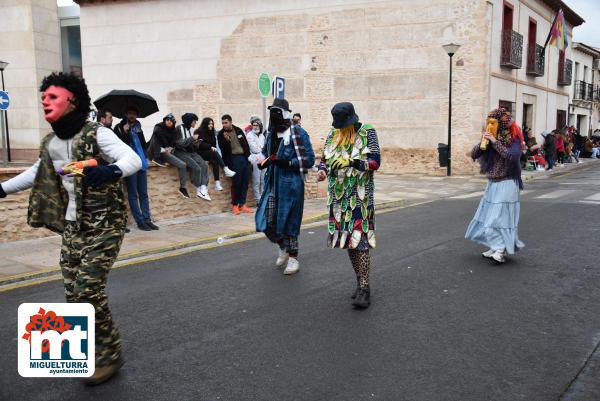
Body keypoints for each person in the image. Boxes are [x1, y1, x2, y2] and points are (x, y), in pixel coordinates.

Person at [0, 72, 142, 384]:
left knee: (87, 291)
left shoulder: (96, 134)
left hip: (105, 224)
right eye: (44, 98)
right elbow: (38, 172)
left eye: (53, 97)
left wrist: (109, 171)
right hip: (73, 226)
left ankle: (110, 355)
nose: (45, 101)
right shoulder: (51, 143)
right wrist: (3, 189)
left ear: (73, 101)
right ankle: (94, 352)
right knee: (72, 294)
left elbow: (132, 159)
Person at [317, 102, 380, 308]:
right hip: (338, 198)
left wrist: (352, 162)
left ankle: (365, 289)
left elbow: (375, 162)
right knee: (348, 242)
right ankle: (360, 282)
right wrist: (322, 171)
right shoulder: (332, 135)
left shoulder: (367, 132)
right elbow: (324, 159)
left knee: (360, 241)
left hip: (360, 198)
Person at [256, 98, 315, 275]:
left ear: (285, 114)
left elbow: (309, 159)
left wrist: (288, 162)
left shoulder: (298, 133)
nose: (274, 115)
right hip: (272, 183)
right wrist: (263, 162)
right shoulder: (270, 133)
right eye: (272, 111)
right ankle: (282, 246)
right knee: (266, 219)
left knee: (290, 222)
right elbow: (266, 154)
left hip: (291, 185)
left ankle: (293, 258)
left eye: (277, 112)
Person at [466, 108, 525, 264]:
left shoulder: (514, 138)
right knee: (487, 217)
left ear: (501, 123)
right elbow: (473, 154)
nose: (490, 124)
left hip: (508, 181)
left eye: (493, 122)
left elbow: (511, 156)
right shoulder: (491, 136)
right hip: (493, 182)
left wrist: (494, 141)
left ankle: (501, 249)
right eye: (488, 122)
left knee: (499, 218)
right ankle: (495, 246)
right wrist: (483, 143)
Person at [115, 106, 159, 231]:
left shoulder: (138, 127)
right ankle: (140, 221)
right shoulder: (119, 127)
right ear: (125, 114)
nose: (132, 116)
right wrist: (125, 132)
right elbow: (119, 146)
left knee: (144, 194)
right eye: (129, 113)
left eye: (134, 113)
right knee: (133, 194)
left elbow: (143, 144)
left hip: (141, 163)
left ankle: (147, 219)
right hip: (129, 163)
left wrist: (146, 157)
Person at [150, 113, 193, 198]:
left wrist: (170, 147)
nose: (169, 122)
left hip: (167, 152)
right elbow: (159, 134)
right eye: (167, 120)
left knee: (184, 163)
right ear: (164, 121)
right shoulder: (158, 127)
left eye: (171, 121)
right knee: (182, 164)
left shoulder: (173, 131)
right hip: (158, 152)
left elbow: (174, 142)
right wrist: (167, 146)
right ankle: (156, 158)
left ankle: (184, 187)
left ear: (173, 122)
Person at [218, 114, 252, 214]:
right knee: (236, 182)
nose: (224, 125)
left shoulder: (238, 130)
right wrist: (226, 141)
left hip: (243, 158)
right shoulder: (221, 134)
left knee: (245, 182)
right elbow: (222, 148)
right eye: (223, 123)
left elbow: (245, 143)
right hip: (233, 159)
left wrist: (248, 156)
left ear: (231, 122)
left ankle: (242, 204)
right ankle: (235, 205)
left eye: (226, 122)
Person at [174, 113, 211, 201]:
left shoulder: (190, 130)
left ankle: (203, 188)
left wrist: (196, 142)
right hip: (180, 152)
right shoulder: (179, 128)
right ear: (189, 121)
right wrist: (192, 138)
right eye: (194, 121)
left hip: (190, 151)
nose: (195, 123)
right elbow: (179, 144)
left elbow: (191, 144)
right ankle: (198, 189)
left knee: (204, 165)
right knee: (197, 168)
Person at [194, 117, 236, 191]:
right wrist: (210, 146)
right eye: (209, 124)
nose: (211, 125)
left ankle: (217, 183)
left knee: (215, 161)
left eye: (212, 124)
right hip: (199, 153)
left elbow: (213, 144)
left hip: (209, 153)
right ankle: (225, 169)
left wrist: (211, 147)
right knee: (214, 152)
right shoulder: (198, 131)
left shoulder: (212, 132)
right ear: (205, 124)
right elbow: (199, 145)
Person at [246, 116, 266, 201]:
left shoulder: (262, 136)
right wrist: (261, 149)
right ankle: (258, 199)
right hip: (255, 158)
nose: (255, 127)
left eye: (257, 125)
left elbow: (264, 147)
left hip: (263, 158)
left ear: (260, 126)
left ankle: (263, 198)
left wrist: (261, 150)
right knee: (256, 180)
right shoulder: (249, 135)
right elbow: (254, 148)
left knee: (263, 179)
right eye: (254, 125)